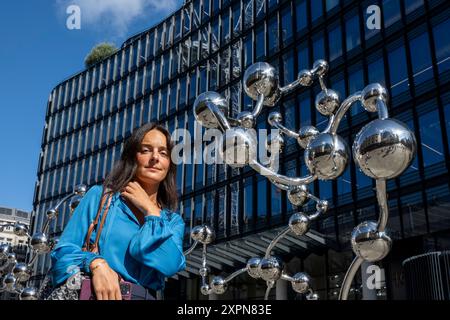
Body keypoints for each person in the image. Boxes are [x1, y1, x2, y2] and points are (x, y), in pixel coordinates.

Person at [49, 123, 186, 300]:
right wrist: (95, 263)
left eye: (163, 153)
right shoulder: (100, 197)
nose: (155, 158)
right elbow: (62, 253)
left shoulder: (172, 221)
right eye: (145, 150)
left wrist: (151, 211)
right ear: (132, 157)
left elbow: (170, 265)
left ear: (169, 164)